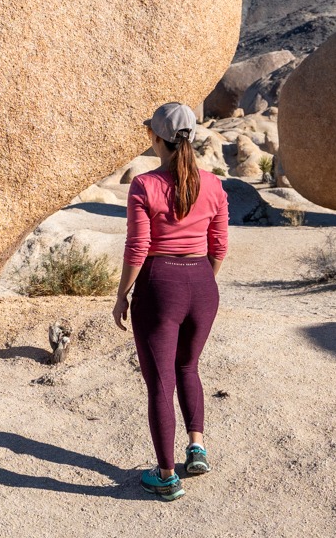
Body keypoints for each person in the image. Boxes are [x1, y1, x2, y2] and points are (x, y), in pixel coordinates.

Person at [112, 101, 228, 501]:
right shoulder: (213, 184)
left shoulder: (145, 185)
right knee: (188, 367)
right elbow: (219, 246)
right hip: (202, 284)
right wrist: (197, 283)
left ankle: (165, 476)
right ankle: (197, 447)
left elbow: (138, 247)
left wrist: (123, 294)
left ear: (155, 138)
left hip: (160, 284)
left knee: (159, 383)